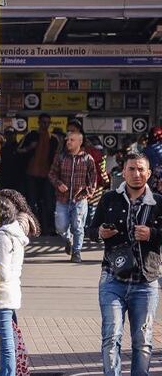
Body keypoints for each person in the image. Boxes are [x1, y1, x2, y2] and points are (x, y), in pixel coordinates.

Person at [90, 153, 162, 376]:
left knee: (143, 340)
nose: (136, 174)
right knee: (111, 337)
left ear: (148, 173)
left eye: (141, 170)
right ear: (124, 172)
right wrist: (100, 232)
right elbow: (91, 230)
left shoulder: (158, 202)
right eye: (132, 169)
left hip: (146, 281)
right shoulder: (109, 198)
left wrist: (152, 233)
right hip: (113, 279)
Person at [48, 131, 96, 263]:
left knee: (78, 226)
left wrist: (89, 192)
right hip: (62, 199)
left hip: (80, 199)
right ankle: (68, 239)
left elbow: (93, 178)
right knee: (60, 227)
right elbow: (52, 174)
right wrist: (59, 184)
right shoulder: (60, 157)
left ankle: (76, 252)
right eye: (67, 140)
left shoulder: (87, 159)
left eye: (72, 140)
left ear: (80, 142)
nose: (68, 142)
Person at [0, 196, 29, 376]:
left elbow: (2, 272)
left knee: (5, 341)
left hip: (3, 295)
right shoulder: (14, 233)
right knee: (6, 340)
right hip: (11, 292)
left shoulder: (3, 236)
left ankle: (6, 373)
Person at [18, 113, 60, 235]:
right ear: (38, 122)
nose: (45, 125)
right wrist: (29, 148)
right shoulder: (31, 135)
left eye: (47, 122)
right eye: (43, 122)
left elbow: (56, 157)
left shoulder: (53, 139)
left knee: (47, 203)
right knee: (32, 202)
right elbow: (18, 150)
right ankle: (33, 228)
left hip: (47, 175)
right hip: (31, 173)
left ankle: (47, 229)